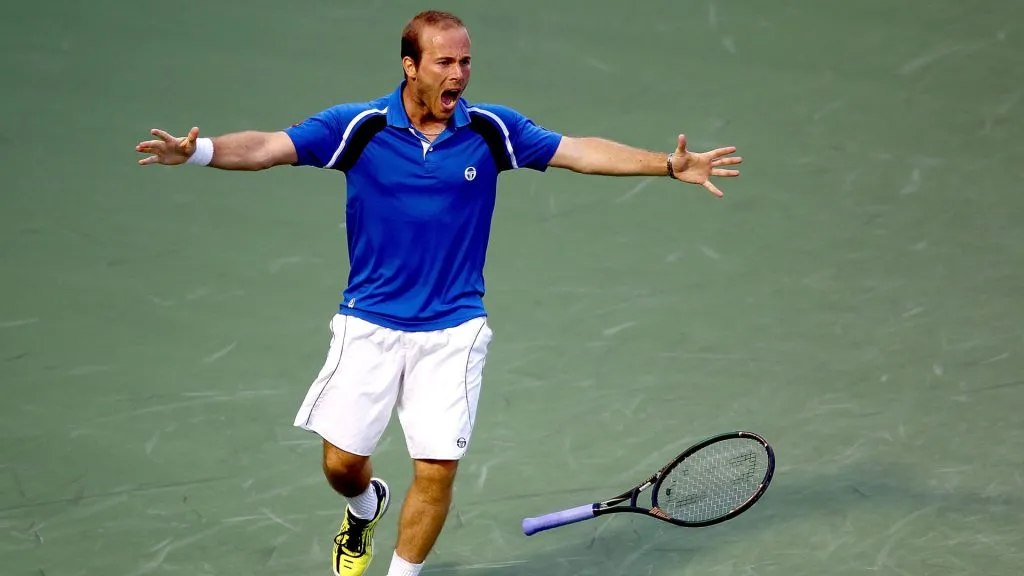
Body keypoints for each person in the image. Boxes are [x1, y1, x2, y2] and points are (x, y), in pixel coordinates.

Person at [134, 9, 742, 576]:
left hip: (454, 329)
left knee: (437, 468)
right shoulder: (360, 127)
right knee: (342, 466)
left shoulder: (491, 129)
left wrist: (667, 164)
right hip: (369, 323)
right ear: (411, 67)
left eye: (466, 62)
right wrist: (200, 153)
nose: (459, 74)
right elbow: (268, 146)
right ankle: (366, 504)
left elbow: (576, 151)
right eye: (445, 63)